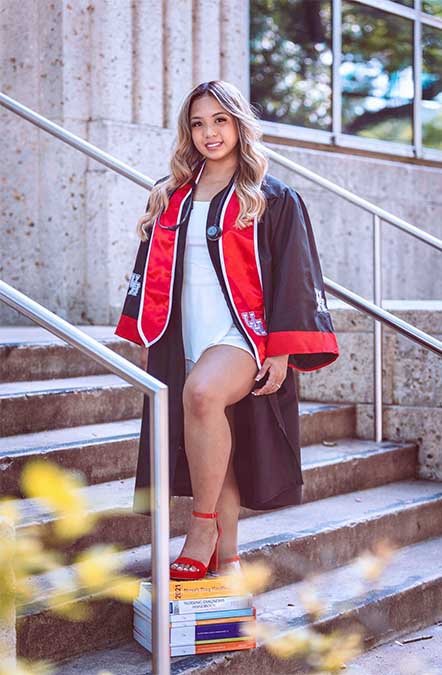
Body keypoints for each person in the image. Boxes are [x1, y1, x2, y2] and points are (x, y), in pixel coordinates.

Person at [114, 80, 339, 581]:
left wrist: (280, 351)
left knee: (201, 395)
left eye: (220, 120)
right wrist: (148, 332)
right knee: (218, 439)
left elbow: (296, 275)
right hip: (183, 334)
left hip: (242, 333)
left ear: (239, 124)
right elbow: (153, 270)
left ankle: (201, 528)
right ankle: (230, 556)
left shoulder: (269, 198)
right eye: (198, 123)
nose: (209, 133)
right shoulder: (171, 196)